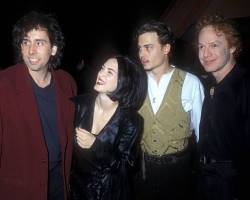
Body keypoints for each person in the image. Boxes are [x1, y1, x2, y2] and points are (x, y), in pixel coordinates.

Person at [0, 11, 77, 200]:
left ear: (53, 49)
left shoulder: (67, 82)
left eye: (39, 43)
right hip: (20, 188)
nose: (31, 50)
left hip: (59, 182)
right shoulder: (4, 84)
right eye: (26, 42)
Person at [134, 20, 204, 200]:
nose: (142, 53)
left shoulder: (190, 82)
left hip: (178, 170)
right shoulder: (136, 83)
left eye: (148, 47)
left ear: (166, 49)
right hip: (143, 169)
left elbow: (202, 132)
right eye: (140, 48)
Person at [70, 55, 147, 200]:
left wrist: (96, 145)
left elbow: (127, 166)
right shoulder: (77, 105)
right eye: (102, 68)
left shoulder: (131, 120)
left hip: (108, 192)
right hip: (76, 190)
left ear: (123, 81)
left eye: (109, 72)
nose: (100, 74)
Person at [196, 13, 250, 200]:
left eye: (214, 45)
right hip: (207, 179)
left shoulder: (244, 85)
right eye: (201, 46)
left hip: (233, 185)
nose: (205, 53)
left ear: (232, 47)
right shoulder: (212, 87)